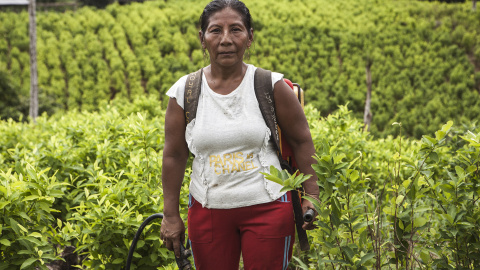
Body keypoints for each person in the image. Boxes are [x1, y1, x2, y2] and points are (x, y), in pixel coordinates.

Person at [160, 0, 319, 269]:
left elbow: (302, 140)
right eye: (215, 31)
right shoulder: (185, 92)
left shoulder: (271, 85)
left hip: (268, 207)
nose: (225, 40)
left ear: (249, 37)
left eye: (235, 30)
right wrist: (170, 215)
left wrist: (312, 195)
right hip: (207, 210)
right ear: (202, 38)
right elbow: (174, 156)